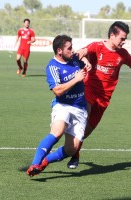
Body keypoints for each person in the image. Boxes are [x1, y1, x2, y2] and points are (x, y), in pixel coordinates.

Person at [65, 21, 131, 169]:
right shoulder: (97, 47)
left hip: (105, 98)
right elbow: (80, 52)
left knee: (85, 132)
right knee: (84, 118)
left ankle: (75, 150)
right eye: (122, 38)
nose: (124, 41)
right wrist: (84, 58)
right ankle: (73, 152)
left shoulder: (122, 54)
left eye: (125, 39)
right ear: (112, 35)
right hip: (88, 90)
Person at [26, 35, 91, 177]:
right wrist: (76, 79)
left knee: (71, 149)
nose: (72, 50)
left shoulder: (74, 58)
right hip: (63, 105)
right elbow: (58, 91)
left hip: (80, 108)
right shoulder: (53, 67)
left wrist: (86, 60)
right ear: (59, 50)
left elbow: (84, 56)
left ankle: (45, 162)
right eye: (69, 48)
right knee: (57, 131)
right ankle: (34, 164)